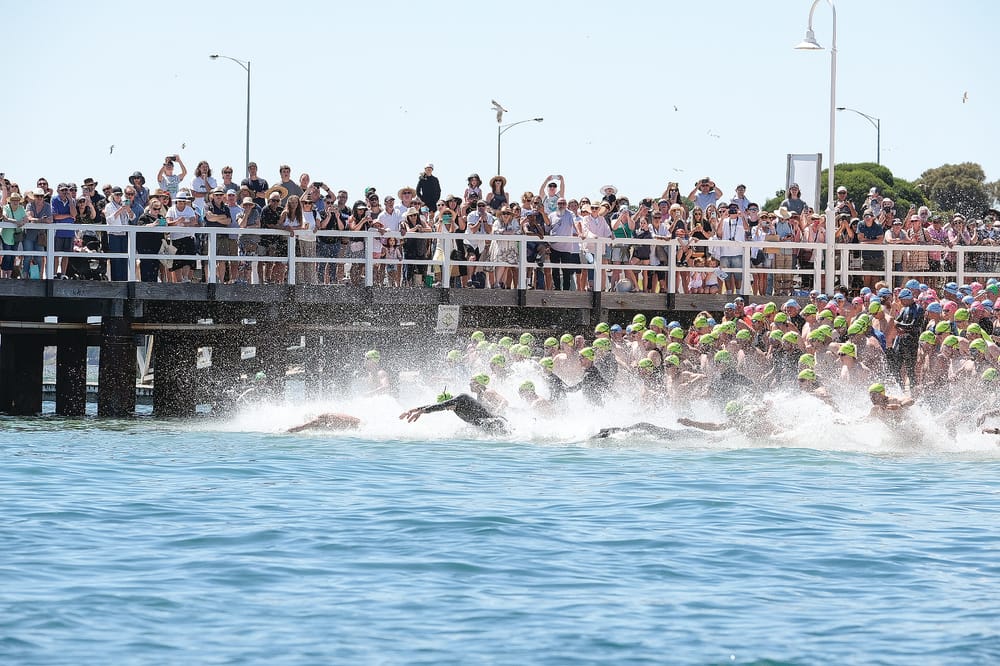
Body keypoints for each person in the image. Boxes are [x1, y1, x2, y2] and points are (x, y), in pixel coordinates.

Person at [399, 377, 509, 434]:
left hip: (497, 423)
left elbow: (440, 405)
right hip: (489, 427)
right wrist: (412, 410)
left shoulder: (462, 398)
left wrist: (422, 412)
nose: (447, 409)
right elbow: (435, 405)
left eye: (447, 406)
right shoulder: (455, 408)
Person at [103, 186, 136, 281]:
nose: (119, 196)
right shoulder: (109, 206)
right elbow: (109, 220)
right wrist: (120, 210)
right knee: (116, 260)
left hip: (124, 235)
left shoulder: (124, 204)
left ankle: (124, 280)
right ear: (112, 195)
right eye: (117, 194)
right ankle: (116, 281)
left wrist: (128, 210)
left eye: (120, 194)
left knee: (124, 259)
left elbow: (133, 217)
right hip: (114, 235)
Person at [287, 412, 361, 433]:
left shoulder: (319, 420)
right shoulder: (327, 416)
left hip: (354, 423)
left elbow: (301, 427)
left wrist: (286, 431)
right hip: (357, 421)